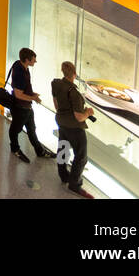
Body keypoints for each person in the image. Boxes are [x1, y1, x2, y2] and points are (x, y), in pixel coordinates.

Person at [51, 61, 95, 199]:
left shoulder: (56, 83)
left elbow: (56, 104)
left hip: (61, 121)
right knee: (81, 156)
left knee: (63, 147)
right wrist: (88, 112)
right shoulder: (74, 93)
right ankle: (74, 184)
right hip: (74, 128)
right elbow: (79, 117)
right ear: (74, 74)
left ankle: (63, 175)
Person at [8, 47, 53, 163]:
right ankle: (15, 149)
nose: (35, 61)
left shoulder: (22, 66)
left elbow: (23, 89)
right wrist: (33, 97)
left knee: (32, 130)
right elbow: (18, 94)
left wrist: (32, 94)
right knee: (15, 129)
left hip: (27, 107)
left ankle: (40, 151)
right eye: (34, 59)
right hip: (20, 108)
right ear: (27, 60)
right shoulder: (20, 73)